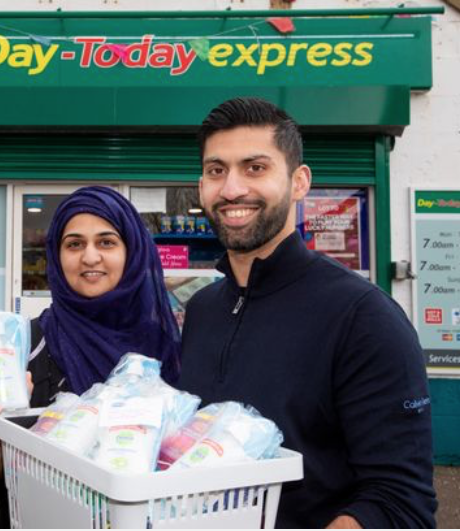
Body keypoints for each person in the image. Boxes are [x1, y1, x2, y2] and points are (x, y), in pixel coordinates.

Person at [177, 97, 437, 528]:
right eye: (216, 170)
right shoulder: (203, 309)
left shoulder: (363, 316)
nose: (231, 189)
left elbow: (400, 502)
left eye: (255, 168)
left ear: (299, 182)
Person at [0, 186, 181, 527]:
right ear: (57, 255)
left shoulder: (169, 349)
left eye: (107, 242)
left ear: (133, 251)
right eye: (75, 244)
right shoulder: (21, 347)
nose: (90, 256)